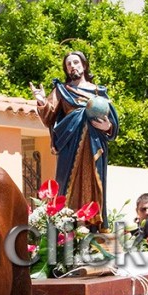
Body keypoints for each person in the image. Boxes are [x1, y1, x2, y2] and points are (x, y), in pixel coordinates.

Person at [33, 51, 118, 225]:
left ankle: (94, 224)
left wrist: (108, 127)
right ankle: (67, 224)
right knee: (67, 182)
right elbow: (49, 116)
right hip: (70, 145)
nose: (72, 66)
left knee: (95, 181)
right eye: (69, 64)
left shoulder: (98, 92)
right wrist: (42, 101)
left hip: (95, 144)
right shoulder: (62, 91)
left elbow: (112, 119)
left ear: (84, 65)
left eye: (76, 62)